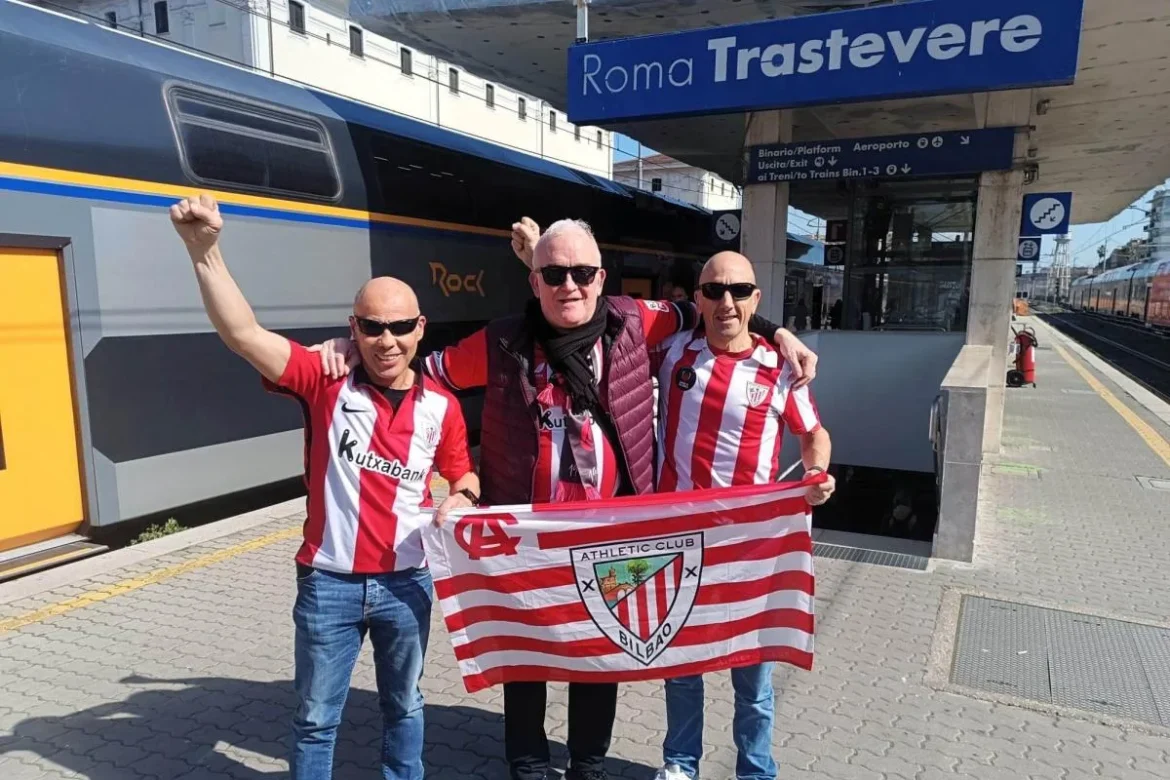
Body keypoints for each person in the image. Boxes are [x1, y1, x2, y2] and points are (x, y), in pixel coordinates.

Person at [315, 217, 819, 780]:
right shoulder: (503, 339)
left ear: (601, 278)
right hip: (528, 538)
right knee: (526, 658)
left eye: (581, 272)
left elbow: (718, 309)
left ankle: (588, 766)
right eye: (554, 273)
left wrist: (778, 333)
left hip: (610, 531)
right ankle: (528, 766)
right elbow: (421, 372)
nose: (569, 285)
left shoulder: (637, 322)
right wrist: (358, 347)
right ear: (534, 281)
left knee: (600, 654)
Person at [169, 194, 481, 780]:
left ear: (420, 329)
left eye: (398, 328)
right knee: (316, 719)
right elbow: (243, 334)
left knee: (406, 707)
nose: (385, 341)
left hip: (408, 582)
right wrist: (204, 252)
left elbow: (462, 473)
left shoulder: (442, 406)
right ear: (353, 328)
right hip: (328, 583)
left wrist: (460, 497)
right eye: (371, 327)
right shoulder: (322, 380)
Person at [651, 251, 834, 780]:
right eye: (713, 291)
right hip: (681, 541)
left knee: (752, 680)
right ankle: (680, 765)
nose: (725, 302)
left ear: (755, 299)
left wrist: (816, 473)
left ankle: (756, 771)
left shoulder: (780, 369)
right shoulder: (671, 352)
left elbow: (813, 434)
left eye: (738, 291)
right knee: (682, 670)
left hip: (752, 549)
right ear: (697, 299)